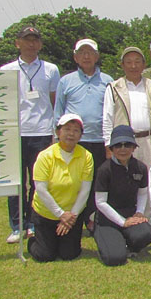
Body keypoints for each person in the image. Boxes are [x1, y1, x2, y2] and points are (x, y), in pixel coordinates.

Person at [0, 26, 60, 244]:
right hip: (15, 132)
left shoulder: (50, 70)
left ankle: (34, 222)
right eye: (27, 40)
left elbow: (54, 101)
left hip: (42, 131)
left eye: (35, 40)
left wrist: (54, 131)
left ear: (40, 44)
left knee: (38, 182)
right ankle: (17, 225)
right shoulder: (6, 70)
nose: (31, 44)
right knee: (16, 182)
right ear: (18, 43)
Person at [54, 38, 113, 232]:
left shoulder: (108, 81)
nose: (86, 56)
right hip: (73, 142)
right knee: (73, 182)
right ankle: (72, 218)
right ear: (75, 57)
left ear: (97, 56)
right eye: (82, 53)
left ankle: (93, 218)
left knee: (97, 182)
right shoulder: (66, 81)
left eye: (90, 53)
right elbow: (58, 112)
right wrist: (58, 139)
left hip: (100, 141)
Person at [27, 114, 93, 262]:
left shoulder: (86, 156)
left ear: (81, 135)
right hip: (46, 213)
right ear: (58, 132)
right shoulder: (45, 156)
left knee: (69, 254)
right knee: (45, 255)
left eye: (76, 130)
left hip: (71, 215)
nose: (71, 133)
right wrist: (60, 214)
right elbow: (41, 190)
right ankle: (33, 241)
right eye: (67, 129)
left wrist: (70, 217)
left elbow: (85, 190)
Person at [93, 125, 151, 266]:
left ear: (133, 147)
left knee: (146, 234)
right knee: (115, 258)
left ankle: (128, 244)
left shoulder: (141, 167)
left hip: (130, 217)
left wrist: (139, 212)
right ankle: (111, 242)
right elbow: (100, 202)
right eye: (118, 145)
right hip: (107, 220)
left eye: (127, 144)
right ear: (112, 148)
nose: (123, 149)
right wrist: (122, 222)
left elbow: (143, 193)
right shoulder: (104, 170)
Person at [102, 46, 151, 169]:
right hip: (123, 145)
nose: (133, 66)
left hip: (149, 141)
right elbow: (107, 119)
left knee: (149, 181)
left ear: (143, 65)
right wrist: (108, 145)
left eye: (137, 62)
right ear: (122, 65)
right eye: (129, 62)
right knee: (123, 181)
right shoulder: (114, 88)